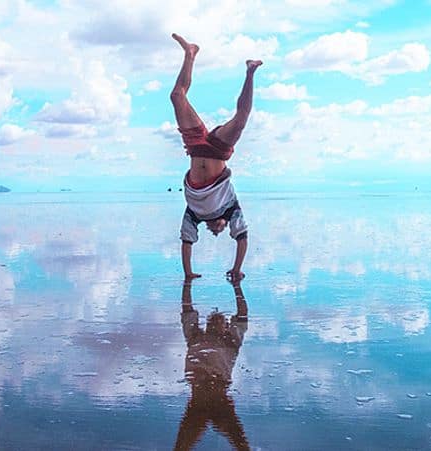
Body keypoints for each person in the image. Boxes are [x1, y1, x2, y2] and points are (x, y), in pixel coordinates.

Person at [170, 33, 261, 283]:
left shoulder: (194, 214)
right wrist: (237, 268)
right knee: (241, 120)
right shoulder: (231, 210)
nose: (219, 229)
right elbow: (242, 239)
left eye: (216, 230)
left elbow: (186, 242)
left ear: (210, 227)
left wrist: (188, 273)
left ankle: (190, 53)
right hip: (219, 151)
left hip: (196, 146)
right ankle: (250, 72)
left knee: (177, 96)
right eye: (222, 229)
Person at [174, 278, 250, 451]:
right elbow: (186, 308)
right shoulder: (195, 337)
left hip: (215, 397)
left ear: (226, 326)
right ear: (206, 326)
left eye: (220, 321)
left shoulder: (232, 342)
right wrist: (187, 282)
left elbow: (243, 313)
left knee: (241, 444)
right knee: (181, 447)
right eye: (212, 321)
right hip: (203, 396)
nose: (215, 323)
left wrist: (237, 286)